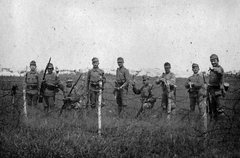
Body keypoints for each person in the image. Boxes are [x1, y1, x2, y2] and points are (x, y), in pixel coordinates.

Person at [185, 63, 207, 133]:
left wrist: (193, 84)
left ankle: (203, 126)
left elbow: (200, 84)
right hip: (192, 95)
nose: (195, 69)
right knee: (192, 109)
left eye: (196, 68)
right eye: (194, 68)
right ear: (192, 69)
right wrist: (188, 84)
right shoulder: (190, 77)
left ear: (198, 69)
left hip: (199, 95)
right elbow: (186, 85)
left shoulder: (200, 77)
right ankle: (192, 124)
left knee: (201, 109)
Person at [208, 54, 226, 121]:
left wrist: (214, 69)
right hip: (212, 91)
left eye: (214, 61)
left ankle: (222, 125)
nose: (213, 62)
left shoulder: (220, 68)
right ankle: (215, 124)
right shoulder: (212, 70)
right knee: (213, 108)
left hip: (218, 90)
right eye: (211, 61)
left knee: (220, 109)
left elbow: (219, 72)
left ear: (218, 60)